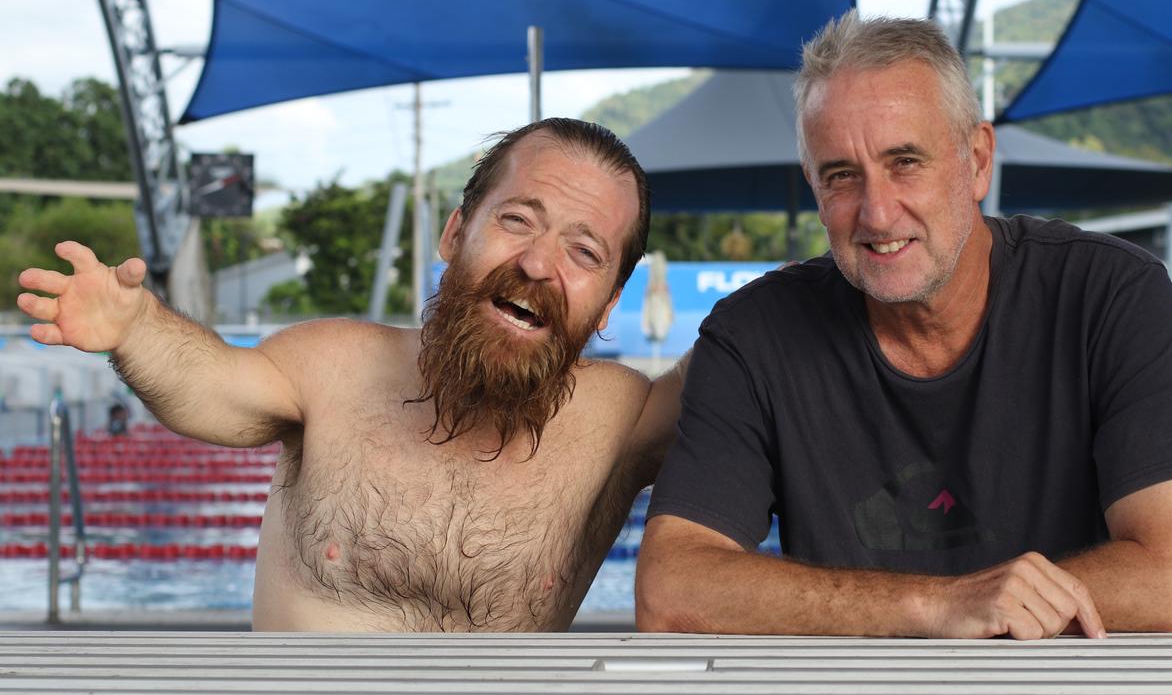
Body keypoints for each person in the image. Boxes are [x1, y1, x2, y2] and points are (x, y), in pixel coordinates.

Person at [635, 14, 1172, 640]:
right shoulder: (755, 335)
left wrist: (983, 607)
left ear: (976, 161)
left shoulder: (1108, 296)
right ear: (813, 186)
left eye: (905, 161)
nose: (878, 212)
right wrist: (938, 606)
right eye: (841, 175)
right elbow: (671, 592)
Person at [17, 118, 684, 632]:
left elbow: (766, 347)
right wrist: (137, 329)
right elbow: (214, 385)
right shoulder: (332, 363)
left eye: (583, 251)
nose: (539, 264)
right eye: (516, 220)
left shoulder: (622, 419)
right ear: (455, 233)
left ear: (608, 305)